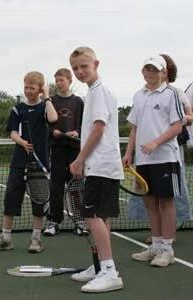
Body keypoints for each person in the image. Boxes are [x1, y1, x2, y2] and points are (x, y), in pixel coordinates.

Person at [68, 46, 124, 293]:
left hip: (101, 165)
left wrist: (79, 160)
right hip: (102, 166)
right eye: (75, 68)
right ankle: (103, 266)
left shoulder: (99, 92)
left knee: (92, 217)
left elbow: (98, 129)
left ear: (96, 64)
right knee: (100, 217)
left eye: (84, 66)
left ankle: (110, 272)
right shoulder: (93, 92)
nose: (80, 71)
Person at [123, 55, 184, 268]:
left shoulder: (171, 94)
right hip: (144, 161)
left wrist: (156, 143)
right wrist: (128, 153)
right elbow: (135, 127)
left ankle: (167, 249)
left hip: (166, 157)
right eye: (147, 69)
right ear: (143, 71)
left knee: (166, 202)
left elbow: (178, 126)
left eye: (155, 70)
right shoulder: (139, 95)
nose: (151, 73)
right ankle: (156, 245)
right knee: (149, 202)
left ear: (163, 73)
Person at [0, 71, 57, 253]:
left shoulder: (45, 107)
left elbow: (53, 118)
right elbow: (13, 133)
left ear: (40, 89)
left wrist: (47, 97)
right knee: (11, 198)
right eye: (26, 87)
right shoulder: (17, 109)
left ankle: (35, 239)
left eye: (32, 88)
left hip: (39, 163)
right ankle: (6, 238)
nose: (28, 91)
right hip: (19, 162)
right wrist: (23, 143)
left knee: (39, 202)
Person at [43, 68, 84, 236]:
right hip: (57, 149)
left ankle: (80, 221)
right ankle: (54, 221)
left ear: (70, 81)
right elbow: (45, 125)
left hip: (74, 150)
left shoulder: (79, 102)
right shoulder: (50, 100)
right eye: (57, 80)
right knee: (56, 187)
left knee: (76, 186)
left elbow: (85, 123)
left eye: (62, 80)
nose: (59, 83)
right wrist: (53, 133)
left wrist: (77, 132)